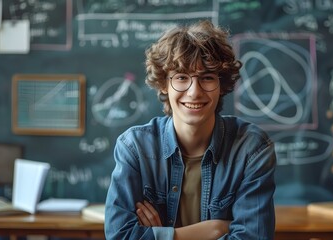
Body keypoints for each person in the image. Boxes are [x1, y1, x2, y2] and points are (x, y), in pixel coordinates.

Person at [105, 20, 276, 240]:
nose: (194, 92)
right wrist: (214, 230)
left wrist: (158, 236)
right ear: (164, 84)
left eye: (206, 78)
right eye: (181, 78)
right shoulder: (134, 148)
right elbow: (120, 236)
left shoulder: (251, 148)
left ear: (221, 86)